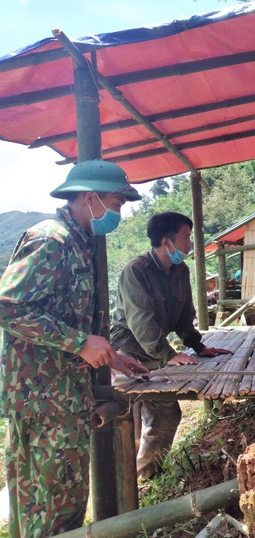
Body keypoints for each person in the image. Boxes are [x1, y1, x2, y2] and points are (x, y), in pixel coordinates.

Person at [0, 159, 149, 536]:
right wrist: (80, 343)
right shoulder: (52, 239)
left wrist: (112, 354)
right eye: (116, 204)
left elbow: (67, 316)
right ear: (91, 197)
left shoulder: (79, 241)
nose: (118, 212)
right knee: (49, 506)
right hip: (43, 400)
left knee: (61, 501)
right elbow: (8, 305)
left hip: (62, 396)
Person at [110, 212, 233, 480]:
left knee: (164, 414)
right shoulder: (136, 270)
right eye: (186, 238)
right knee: (127, 419)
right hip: (126, 352)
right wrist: (168, 354)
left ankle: (145, 476)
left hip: (155, 354)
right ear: (167, 242)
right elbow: (140, 319)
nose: (189, 244)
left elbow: (183, 314)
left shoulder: (180, 269)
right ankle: (127, 481)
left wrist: (197, 345)